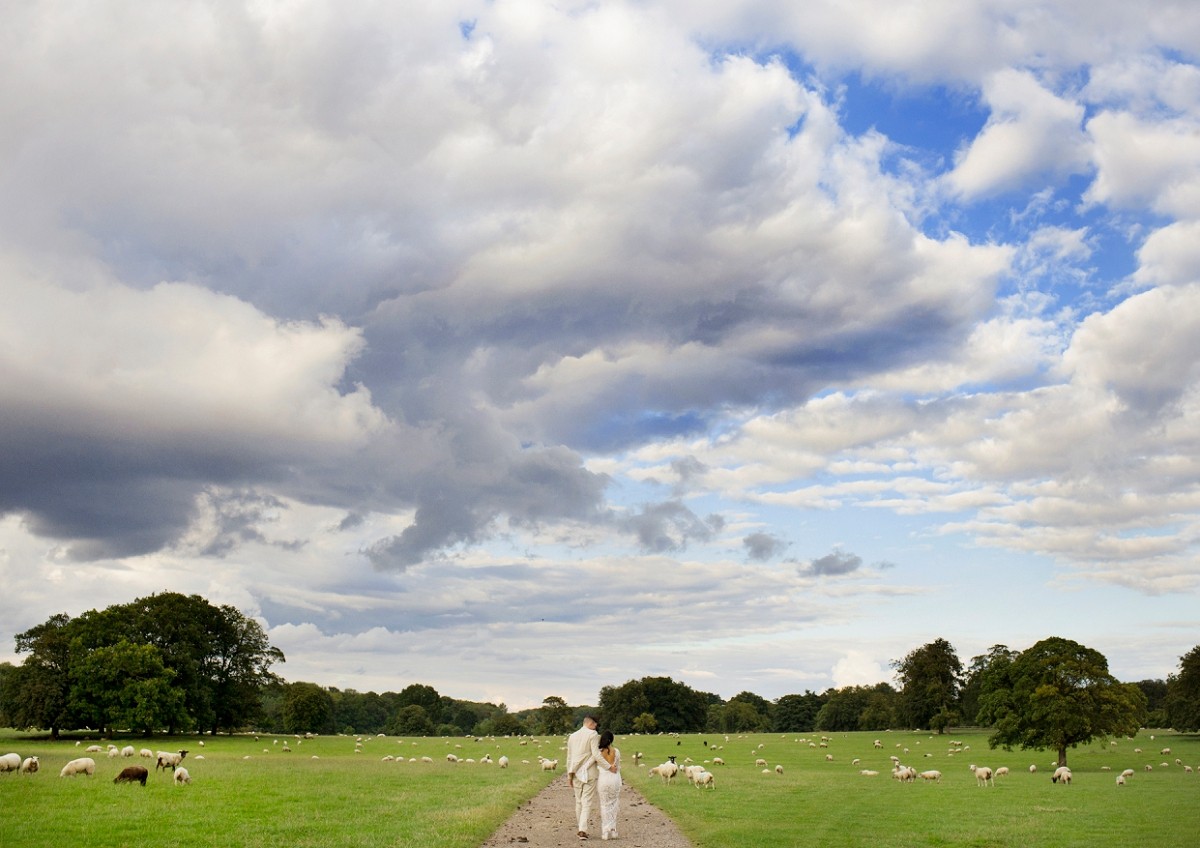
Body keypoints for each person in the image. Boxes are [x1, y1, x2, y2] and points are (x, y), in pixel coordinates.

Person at [566, 714, 609, 840]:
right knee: (587, 802)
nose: (596, 727)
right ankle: (582, 829)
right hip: (589, 772)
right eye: (595, 724)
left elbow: (569, 757)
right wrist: (608, 767)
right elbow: (596, 754)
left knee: (578, 801)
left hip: (575, 772)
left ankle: (581, 828)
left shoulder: (572, 736)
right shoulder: (593, 735)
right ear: (591, 723)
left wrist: (569, 774)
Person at [596, 730, 622, 840]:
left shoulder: (598, 752)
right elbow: (618, 766)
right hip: (614, 779)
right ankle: (613, 829)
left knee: (604, 804)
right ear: (611, 740)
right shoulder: (616, 751)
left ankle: (605, 831)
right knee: (614, 804)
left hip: (603, 779)